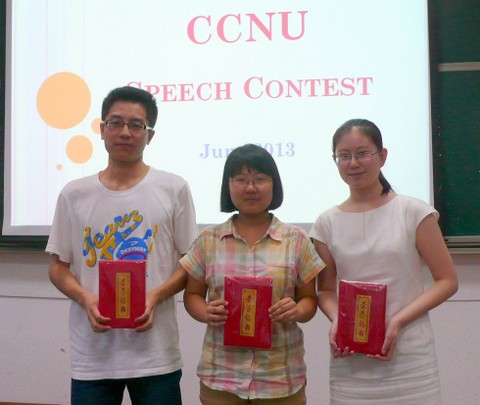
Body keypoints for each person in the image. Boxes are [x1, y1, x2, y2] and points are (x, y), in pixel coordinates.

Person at [46, 86, 198, 405]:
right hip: (93, 355)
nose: (125, 132)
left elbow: (191, 264)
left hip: (155, 354)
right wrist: (85, 298)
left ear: (150, 135)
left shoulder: (174, 188)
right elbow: (58, 268)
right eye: (115, 123)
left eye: (136, 125)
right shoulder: (74, 194)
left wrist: (156, 295)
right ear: (102, 129)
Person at [310, 118, 458, 404]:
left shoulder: (414, 211)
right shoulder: (326, 222)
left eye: (363, 153)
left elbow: (447, 281)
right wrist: (338, 320)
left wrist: (398, 320)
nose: (354, 163)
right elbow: (325, 290)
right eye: (344, 156)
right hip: (351, 359)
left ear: (382, 156)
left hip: (409, 357)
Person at [180, 143, 325, 405]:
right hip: (221, 377)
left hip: (280, 378)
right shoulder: (208, 239)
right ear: (228, 185)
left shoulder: (297, 239)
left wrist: (296, 310)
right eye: (240, 180)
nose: (250, 188)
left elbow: (309, 301)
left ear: (273, 184)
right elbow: (192, 295)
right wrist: (205, 312)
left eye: (260, 179)